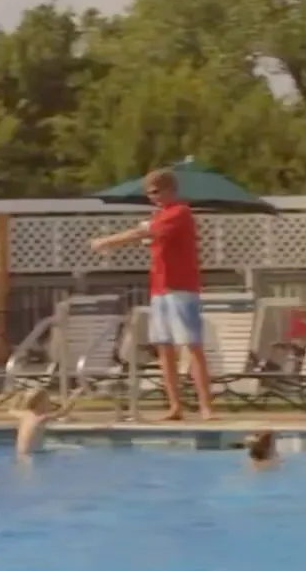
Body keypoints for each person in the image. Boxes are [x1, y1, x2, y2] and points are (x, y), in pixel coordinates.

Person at [89, 168, 215, 421]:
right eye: (149, 193)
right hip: (159, 289)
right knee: (164, 348)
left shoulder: (180, 212)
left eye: (157, 192)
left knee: (192, 346)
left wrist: (106, 241)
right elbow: (149, 234)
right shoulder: (160, 215)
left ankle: (205, 407)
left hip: (181, 289)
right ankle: (175, 406)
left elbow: (140, 233)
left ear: (171, 190)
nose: (152, 197)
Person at [10, 387, 85, 458]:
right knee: (77, 451)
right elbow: (63, 412)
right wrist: (74, 396)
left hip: (20, 452)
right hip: (32, 455)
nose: (50, 403)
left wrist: (18, 397)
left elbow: (11, 410)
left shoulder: (24, 415)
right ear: (39, 404)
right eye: (47, 401)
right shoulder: (41, 418)